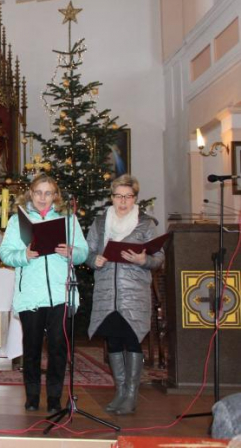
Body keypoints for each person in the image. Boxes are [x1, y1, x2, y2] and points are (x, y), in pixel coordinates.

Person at [0, 173, 88, 413]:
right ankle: (32, 396)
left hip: (61, 293)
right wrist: (23, 256)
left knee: (59, 347)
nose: (42, 197)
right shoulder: (19, 221)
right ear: (31, 193)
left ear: (55, 195)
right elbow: (5, 254)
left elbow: (83, 252)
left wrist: (71, 251)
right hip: (31, 295)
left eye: (48, 193)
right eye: (38, 192)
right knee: (32, 348)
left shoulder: (68, 219)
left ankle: (55, 399)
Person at [85, 174, 163, 415]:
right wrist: (93, 260)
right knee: (114, 340)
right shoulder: (100, 223)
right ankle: (120, 391)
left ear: (135, 198)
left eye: (128, 197)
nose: (123, 201)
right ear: (112, 197)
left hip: (134, 292)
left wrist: (143, 259)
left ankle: (131, 394)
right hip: (107, 291)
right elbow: (86, 253)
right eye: (118, 196)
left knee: (132, 339)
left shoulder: (146, 224)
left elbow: (158, 259)